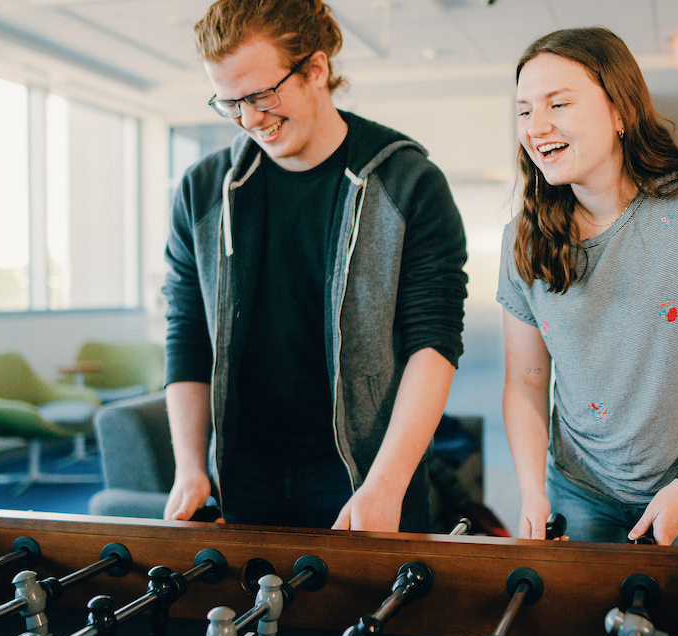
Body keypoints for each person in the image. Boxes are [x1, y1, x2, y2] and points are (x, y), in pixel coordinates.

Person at [161, 0, 468, 533]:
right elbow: (187, 335)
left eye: (260, 95)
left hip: (366, 474)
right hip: (244, 474)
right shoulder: (204, 190)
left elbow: (433, 344)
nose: (249, 119)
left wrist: (387, 484)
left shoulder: (409, 182)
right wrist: (190, 468)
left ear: (317, 70)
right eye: (229, 103)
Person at [499, 27, 678, 547]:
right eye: (524, 110)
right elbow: (527, 381)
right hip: (579, 489)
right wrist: (531, 489)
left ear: (620, 110)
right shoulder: (524, 236)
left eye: (558, 104)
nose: (537, 126)